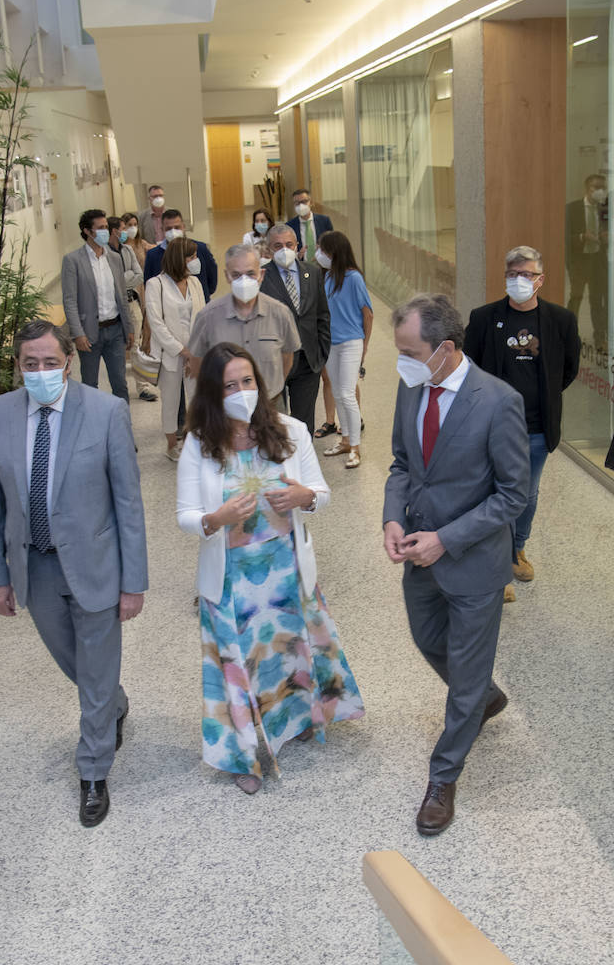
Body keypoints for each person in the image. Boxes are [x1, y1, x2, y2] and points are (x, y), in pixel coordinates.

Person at [0, 319, 148, 827]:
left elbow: (128, 503)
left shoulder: (105, 412)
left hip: (96, 565)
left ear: (68, 364)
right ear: (18, 366)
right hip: (34, 566)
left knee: (94, 670)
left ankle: (93, 770)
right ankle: (113, 703)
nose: (40, 372)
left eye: (50, 363)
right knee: (76, 664)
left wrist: (133, 581)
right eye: (30, 364)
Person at [176, 342, 364, 794]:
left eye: (247, 382)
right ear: (211, 395)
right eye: (229, 386)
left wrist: (304, 497)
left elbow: (320, 493)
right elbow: (184, 513)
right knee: (236, 667)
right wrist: (215, 519)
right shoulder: (200, 444)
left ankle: (297, 719)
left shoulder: (292, 431)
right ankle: (240, 753)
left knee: (288, 651)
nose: (241, 392)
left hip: (286, 571)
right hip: (231, 578)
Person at [382, 294, 530, 837]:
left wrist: (446, 539)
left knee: (464, 674)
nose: (400, 362)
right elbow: (402, 463)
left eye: (408, 351)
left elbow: (513, 495)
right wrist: (392, 519)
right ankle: (482, 697)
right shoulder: (411, 384)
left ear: (444, 350)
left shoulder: (498, 402)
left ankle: (444, 777)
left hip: (471, 562)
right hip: (417, 556)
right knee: (427, 641)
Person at [465, 245, 580, 603]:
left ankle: (517, 548)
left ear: (540, 279)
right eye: (512, 274)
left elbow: (569, 369)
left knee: (526, 495)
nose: (519, 280)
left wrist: (543, 396)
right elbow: (468, 366)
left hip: (535, 427)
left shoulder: (560, 320)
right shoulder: (484, 318)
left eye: (526, 274)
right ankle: (498, 567)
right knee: (496, 493)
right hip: (493, 426)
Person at [186, 243, 301, 405]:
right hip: (224, 405)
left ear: (261, 275)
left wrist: (273, 387)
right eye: (237, 275)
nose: (244, 280)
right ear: (227, 276)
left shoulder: (280, 314)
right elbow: (196, 360)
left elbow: (287, 358)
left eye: (250, 274)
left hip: (270, 403)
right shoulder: (208, 317)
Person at [260, 223, 330, 434]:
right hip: (275, 362)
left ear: (297, 245)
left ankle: (302, 464)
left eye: (289, 244)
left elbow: (322, 314)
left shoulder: (313, 272)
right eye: (278, 245)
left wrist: (321, 353)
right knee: (276, 423)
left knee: (304, 424)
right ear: (269, 249)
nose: (284, 250)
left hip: (308, 361)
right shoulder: (261, 277)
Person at [61, 209, 135, 403]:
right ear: (87, 231)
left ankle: (122, 424)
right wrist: (78, 333)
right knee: (90, 385)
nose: (105, 231)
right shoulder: (73, 261)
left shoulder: (114, 258)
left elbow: (121, 296)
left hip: (116, 329)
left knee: (120, 383)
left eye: (106, 227)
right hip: (89, 334)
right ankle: (92, 425)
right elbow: (69, 301)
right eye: (100, 228)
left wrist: (129, 327)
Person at [144, 236, 207, 460]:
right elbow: (157, 324)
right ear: (179, 258)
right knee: (171, 401)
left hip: (195, 353)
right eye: (191, 256)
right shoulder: (155, 285)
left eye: (195, 256)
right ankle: (172, 444)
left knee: (198, 398)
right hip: (170, 354)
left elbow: (203, 317)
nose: (195, 260)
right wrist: (183, 351)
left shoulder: (195, 283)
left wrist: (195, 353)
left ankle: (197, 440)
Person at [314, 230, 372, 469]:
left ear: (334, 252)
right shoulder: (327, 278)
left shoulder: (354, 278)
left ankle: (356, 447)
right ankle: (345, 440)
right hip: (331, 344)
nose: (319, 254)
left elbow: (367, 314)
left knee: (347, 393)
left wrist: (365, 346)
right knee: (337, 393)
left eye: (323, 250)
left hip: (351, 343)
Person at [107, 215, 156, 403]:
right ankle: (120, 391)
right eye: (123, 228)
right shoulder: (102, 253)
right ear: (115, 231)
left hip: (131, 302)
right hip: (112, 306)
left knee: (136, 346)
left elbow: (139, 276)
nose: (127, 232)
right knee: (117, 350)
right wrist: (123, 278)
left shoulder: (127, 250)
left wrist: (118, 279)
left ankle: (143, 387)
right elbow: (106, 282)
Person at [565, 174, 609, 346]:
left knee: (597, 299)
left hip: (598, 259)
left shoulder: (604, 209)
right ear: (587, 189)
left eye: (602, 188)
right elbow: (565, 237)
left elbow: (607, 228)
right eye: (595, 187)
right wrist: (583, 237)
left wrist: (605, 236)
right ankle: (568, 335)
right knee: (576, 296)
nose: (600, 191)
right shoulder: (572, 208)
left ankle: (599, 338)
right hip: (579, 260)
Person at [144, 209, 218, 297]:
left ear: (183, 227)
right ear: (162, 229)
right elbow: (149, 284)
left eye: (177, 227)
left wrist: (204, 293)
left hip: (199, 302)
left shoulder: (200, 248)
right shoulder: (153, 255)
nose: (173, 232)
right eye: (168, 229)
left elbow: (212, 274)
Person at [286, 187, 333, 262]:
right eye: (297, 203)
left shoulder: (324, 221)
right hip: (302, 266)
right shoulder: (289, 226)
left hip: (322, 265)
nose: (300, 205)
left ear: (311, 203)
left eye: (304, 202)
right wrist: (297, 255)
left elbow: (332, 244)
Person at [137, 184, 171, 249]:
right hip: (151, 251)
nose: (158, 198)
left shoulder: (172, 213)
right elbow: (140, 238)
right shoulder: (142, 216)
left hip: (170, 250)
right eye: (155, 196)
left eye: (160, 195)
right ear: (149, 198)